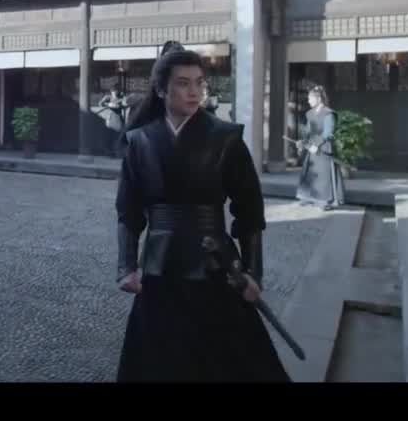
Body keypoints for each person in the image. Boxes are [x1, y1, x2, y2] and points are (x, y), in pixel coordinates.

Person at [114, 47, 290, 382]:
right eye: (183, 83)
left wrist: (253, 271)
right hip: (160, 264)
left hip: (215, 262)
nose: (194, 91)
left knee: (231, 360)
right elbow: (129, 210)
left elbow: (249, 209)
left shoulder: (225, 138)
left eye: (199, 82)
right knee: (158, 360)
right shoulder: (140, 141)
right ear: (162, 89)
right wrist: (126, 266)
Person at [296, 85, 345, 211]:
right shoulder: (309, 114)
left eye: (310, 98)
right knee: (310, 173)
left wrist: (316, 145)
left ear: (318, 98)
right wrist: (302, 142)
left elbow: (328, 133)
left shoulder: (329, 113)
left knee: (324, 175)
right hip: (312, 148)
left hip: (324, 148)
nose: (308, 101)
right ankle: (308, 197)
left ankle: (325, 201)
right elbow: (308, 132)